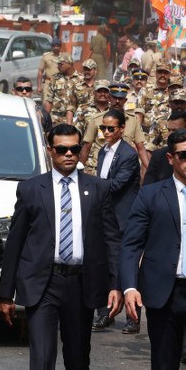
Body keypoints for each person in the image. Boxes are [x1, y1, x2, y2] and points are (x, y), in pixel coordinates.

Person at [0, 124, 122, 370]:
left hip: (81, 284)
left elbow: (112, 240)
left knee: (77, 358)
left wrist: (116, 285)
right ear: (50, 150)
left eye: (74, 149)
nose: (68, 154)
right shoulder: (31, 189)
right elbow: (16, 242)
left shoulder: (99, 189)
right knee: (42, 359)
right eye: (62, 149)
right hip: (42, 284)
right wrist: (5, 293)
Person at [121, 128, 186, 369]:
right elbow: (131, 244)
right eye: (183, 155)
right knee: (164, 362)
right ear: (170, 159)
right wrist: (129, 286)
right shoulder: (151, 195)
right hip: (164, 294)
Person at [92, 109, 141, 333]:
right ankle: (105, 312)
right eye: (103, 128)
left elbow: (116, 184)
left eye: (111, 128)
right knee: (103, 264)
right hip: (104, 216)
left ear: (122, 129)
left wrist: (89, 186)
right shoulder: (103, 151)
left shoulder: (129, 155)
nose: (106, 132)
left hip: (122, 218)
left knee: (125, 266)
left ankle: (133, 317)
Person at [144, 111, 186, 186]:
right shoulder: (158, 156)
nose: (169, 134)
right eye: (169, 130)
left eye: (175, 130)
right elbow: (148, 187)